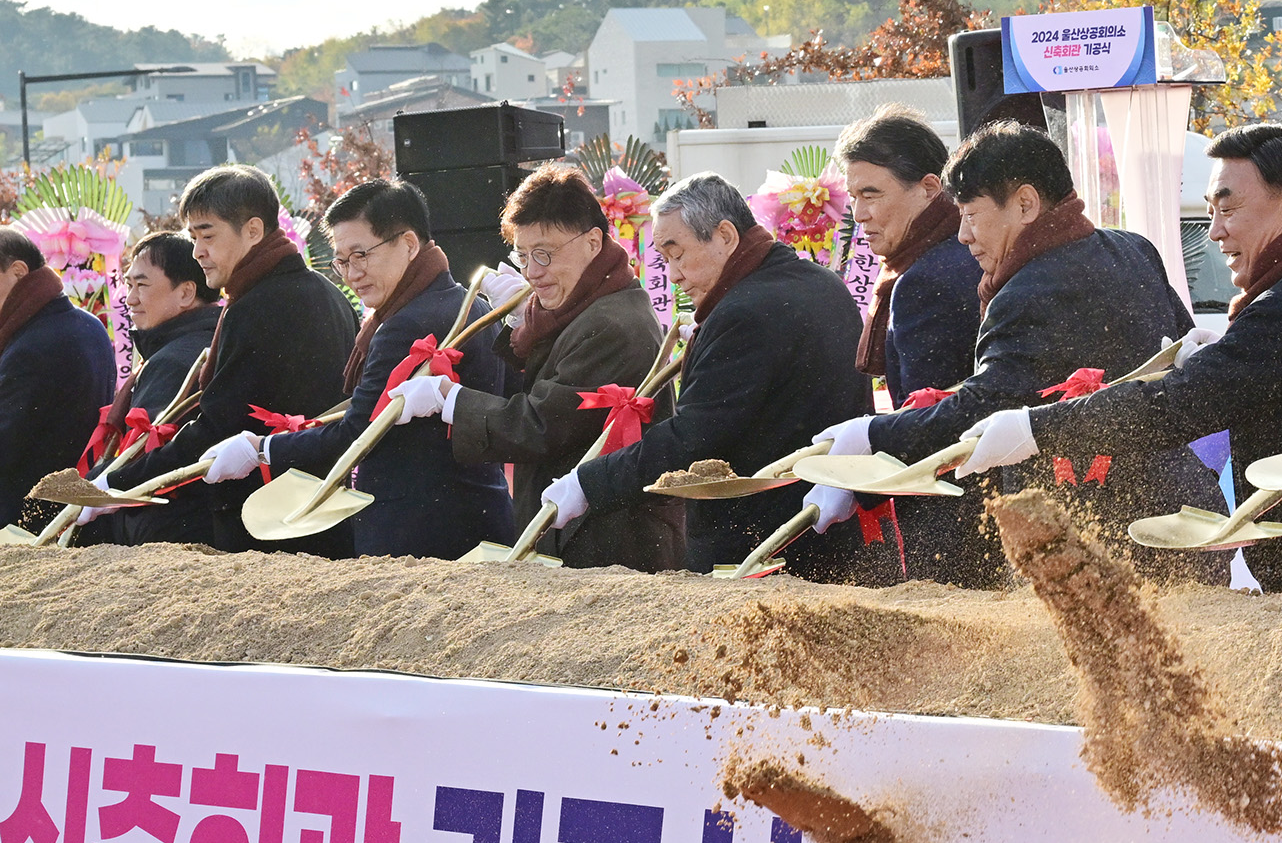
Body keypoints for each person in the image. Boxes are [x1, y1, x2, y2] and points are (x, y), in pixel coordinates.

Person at [957, 124, 1282, 608]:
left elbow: (1176, 406)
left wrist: (1032, 429)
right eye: (1211, 212)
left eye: (1228, 209)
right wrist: (1223, 351)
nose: (1214, 232)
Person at [813, 124, 1224, 582]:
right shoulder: (1132, 248)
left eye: (971, 215)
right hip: (1184, 513)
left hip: (1090, 536)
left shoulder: (1027, 291)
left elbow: (988, 406)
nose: (964, 236)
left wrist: (870, 438)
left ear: (1026, 204)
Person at [545, 173, 869, 578]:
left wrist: (587, 484)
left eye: (677, 253)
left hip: (763, 547)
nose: (675, 275)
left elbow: (693, 437)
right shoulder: (820, 282)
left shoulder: (742, 314)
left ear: (726, 236)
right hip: (833, 529)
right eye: (664, 259)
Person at [392, 163, 684, 570]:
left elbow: (542, 423)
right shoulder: (585, 305)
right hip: (579, 530)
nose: (532, 272)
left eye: (545, 254)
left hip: (609, 541)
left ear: (593, 242)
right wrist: (523, 326)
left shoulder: (613, 324)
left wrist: (450, 398)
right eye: (523, 255)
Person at [223, 179, 515, 559]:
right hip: (477, 516)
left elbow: (358, 433)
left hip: (420, 534)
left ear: (409, 244)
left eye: (361, 255)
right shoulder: (465, 303)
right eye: (342, 260)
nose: (351, 273)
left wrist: (262, 449)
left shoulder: (407, 324)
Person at [112, 167, 355, 552]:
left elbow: (218, 428)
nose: (197, 252)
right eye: (193, 238)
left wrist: (118, 484)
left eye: (207, 236)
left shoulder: (257, 306)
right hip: (321, 508)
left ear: (253, 231)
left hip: (270, 523)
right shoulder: (327, 293)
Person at [812, 106, 979, 581]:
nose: (859, 214)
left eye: (872, 194)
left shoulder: (928, 277)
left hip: (952, 520)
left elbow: (931, 425)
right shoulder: (941, 259)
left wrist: (857, 479)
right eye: (854, 196)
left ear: (929, 188)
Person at [76, 231, 220, 547]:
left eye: (142, 285)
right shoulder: (205, 342)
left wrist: (98, 485)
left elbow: (145, 458)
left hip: (164, 534)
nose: (130, 298)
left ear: (186, 293)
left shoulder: (175, 360)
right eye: (129, 285)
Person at [0, 226, 116, 532]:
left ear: (17, 272)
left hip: (25, 525)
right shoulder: (87, 325)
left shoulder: (33, 346)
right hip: (68, 510)